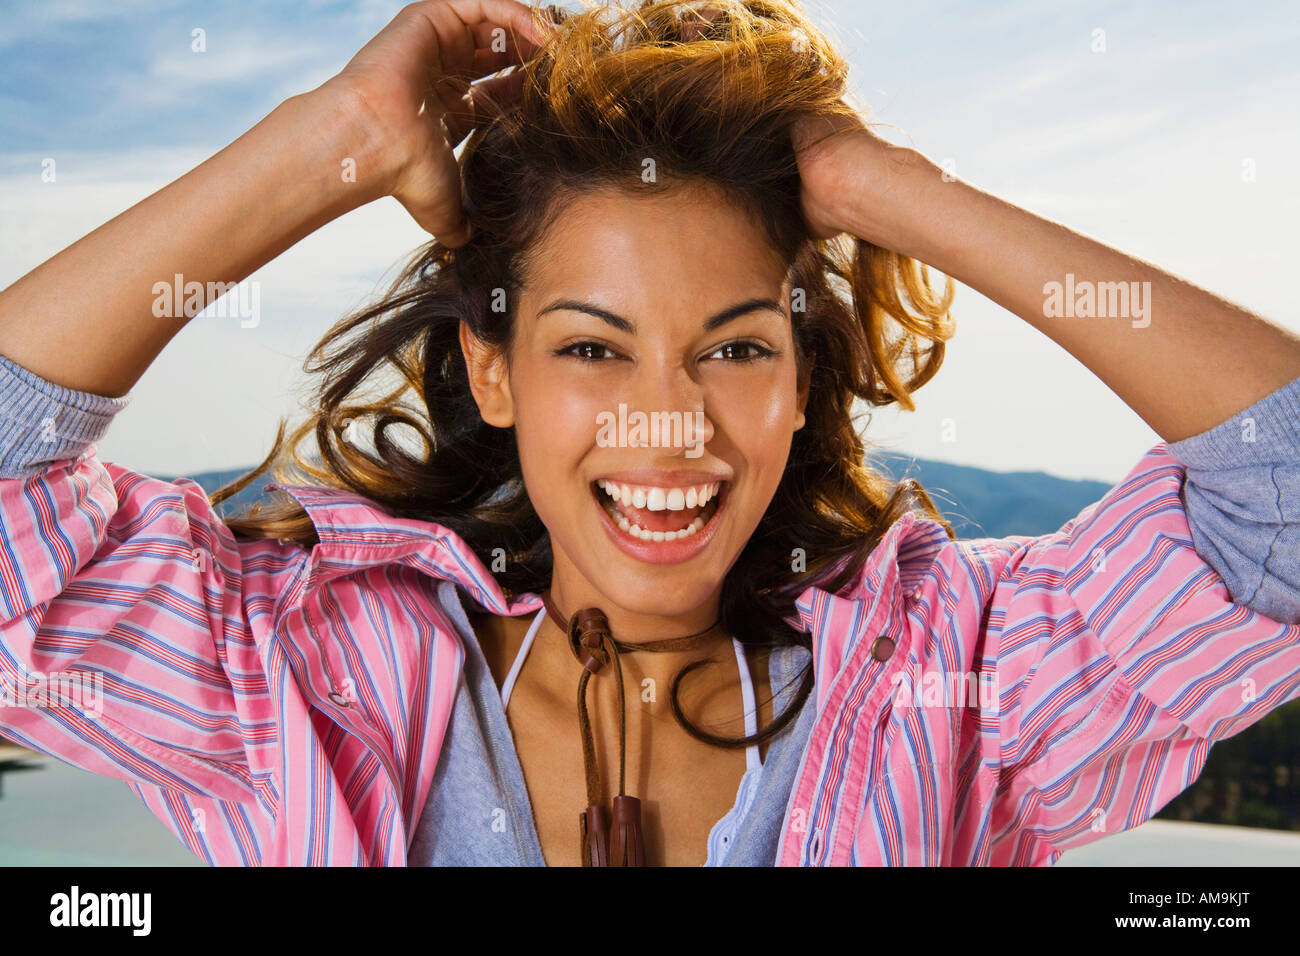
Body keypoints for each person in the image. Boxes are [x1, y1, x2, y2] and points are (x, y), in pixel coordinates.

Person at [1, 0, 1298, 867]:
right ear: (493, 374)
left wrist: (886, 190)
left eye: (734, 345)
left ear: (801, 380)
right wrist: (330, 142)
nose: (667, 420)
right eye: (592, 346)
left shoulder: (955, 687)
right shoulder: (297, 675)